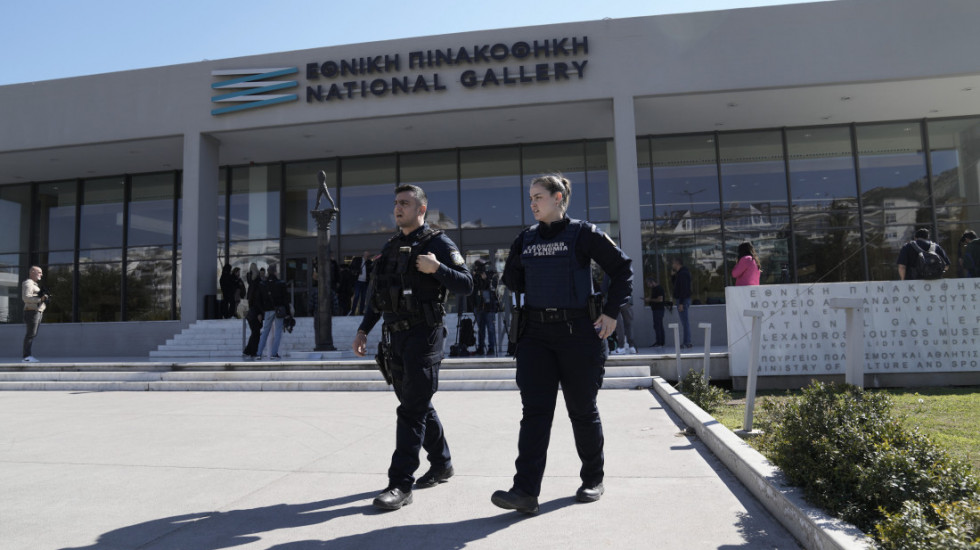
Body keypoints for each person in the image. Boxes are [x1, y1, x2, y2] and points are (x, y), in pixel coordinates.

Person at [491, 174, 632, 515]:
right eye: (530, 198)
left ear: (558, 198)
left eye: (538, 196)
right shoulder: (525, 238)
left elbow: (622, 268)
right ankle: (525, 491)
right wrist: (516, 258)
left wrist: (611, 314)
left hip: (579, 335)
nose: (533, 203)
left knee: (581, 410)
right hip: (536, 336)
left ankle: (592, 479)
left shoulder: (584, 234)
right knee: (535, 414)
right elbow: (512, 280)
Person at [352, 184, 473, 511]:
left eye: (404, 203)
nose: (397, 208)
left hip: (425, 335)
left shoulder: (437, 243)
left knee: (411, 410)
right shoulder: (390, 246)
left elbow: (466, 283)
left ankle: (400, 484)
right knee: (416, 404)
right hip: (395, 337)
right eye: (395, 203)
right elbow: (379, 295)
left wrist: (438, 269)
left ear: (421, 209)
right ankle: (442, 462)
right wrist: (364, 329)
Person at [256, 264, 289, 360]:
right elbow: (285, 299)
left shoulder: (263, 284)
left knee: (265, 332)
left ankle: (259, 353)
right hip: (279, 310)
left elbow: (259, 299)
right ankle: (274, 353)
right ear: (275, 272)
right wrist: (287, 312)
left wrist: (262, 311)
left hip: (267, 311)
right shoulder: (281, 283)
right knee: (278, 332)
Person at [602, 275, 635, 354]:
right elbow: (631, 285)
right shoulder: (627, 268)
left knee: (619, 325)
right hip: (627, 301)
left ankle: (621, 347)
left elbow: (604, 288)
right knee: (628, 324)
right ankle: (631, 346)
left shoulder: (609, 272)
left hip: (615, 301)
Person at [472, 257, 499, 356]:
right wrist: (473, 277)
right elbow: (472, 289)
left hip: (490, 306)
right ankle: (480, 348)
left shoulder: (491, 274)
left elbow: (493, 288)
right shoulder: (475, 276)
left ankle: (491, 348)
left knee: (491, 328)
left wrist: (486, 279)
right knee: (481, 329)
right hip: (479, 306)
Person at [21, 266, 48, 363]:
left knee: (32, 334)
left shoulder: (34, 285)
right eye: (39, 272)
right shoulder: (28, 283)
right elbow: (26, 298)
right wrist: (40, 299)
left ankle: (27, 356)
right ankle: (26, 356)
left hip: (36, 311)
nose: (41, 274)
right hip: (31, 311)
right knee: (30, 334)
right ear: (32, 272)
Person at [242, 263, 263, 360]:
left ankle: (248, 351)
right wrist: (259, 313)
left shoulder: (250, 285)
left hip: (250, 312)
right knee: (256, 333)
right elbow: (258, 300)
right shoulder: (257, 284)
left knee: (255, 332)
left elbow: (250, 299)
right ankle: (251, 351)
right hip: (255, 312)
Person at [671, 257, 693, 349]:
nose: (672, 265)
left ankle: (687, 342)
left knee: (685, 322)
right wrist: (673, 276)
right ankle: (687, 342)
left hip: (682, 300)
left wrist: (681, 303)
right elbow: (677, 286)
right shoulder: (680, 274)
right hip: (681, 299)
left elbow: (684, 289)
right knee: (685, 322)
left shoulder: (683, 274)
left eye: (673, 263)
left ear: (677, 263)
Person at [349, 250, 373, 316]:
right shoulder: (358, 260)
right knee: (356, 296)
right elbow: (351, 268)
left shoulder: (369, 262)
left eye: (368, 255)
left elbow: (371, 270)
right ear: (364, 255)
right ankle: (353, 311)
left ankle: (361, 311)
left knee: (363, 297)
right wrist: (356, 271)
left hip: (365, 282)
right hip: (358, 281)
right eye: (366, 255)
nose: (367, 257)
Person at [645, 277, 667, 348]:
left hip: (659, 310)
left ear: (652, 282)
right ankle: (660, 342)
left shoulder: (659, 288)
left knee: (658, 326)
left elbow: (660, 299)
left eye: (648, 284)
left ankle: (660, 343)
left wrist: (650, 299)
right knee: (658, 326)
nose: (648, 285)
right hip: (655, 310)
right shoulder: (654, 289)